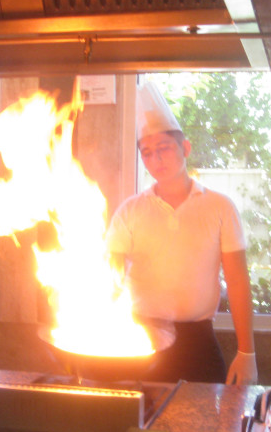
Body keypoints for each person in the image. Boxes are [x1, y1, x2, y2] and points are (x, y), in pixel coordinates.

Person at [105, 81, 257, 385]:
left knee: (205, 416)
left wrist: (247, 353)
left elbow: (238, 282)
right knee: (138, 416)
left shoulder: (220, 207)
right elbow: (110, 280)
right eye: (147, 153)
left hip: (197, 343)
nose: (156, 159)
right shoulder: (129, 211)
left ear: (185, 148)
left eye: (164, 148)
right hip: (140, 340)